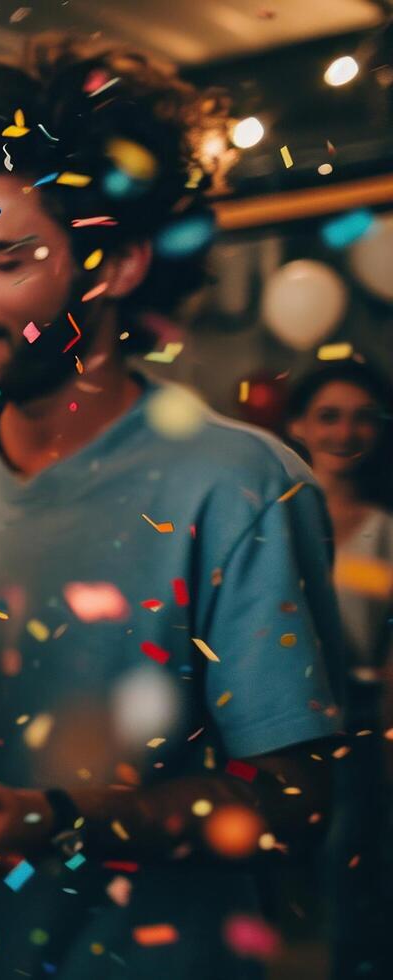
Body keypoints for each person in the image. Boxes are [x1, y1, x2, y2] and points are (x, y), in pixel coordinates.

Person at [0, 36, 343, 978]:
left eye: (2, 259)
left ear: (119, 265)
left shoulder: (241, 487)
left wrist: (67, 821)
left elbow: (297, 798)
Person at [285, 359, 392, 979]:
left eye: (362, 419)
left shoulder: (385, 533)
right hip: (267, 713)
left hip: (353, 722)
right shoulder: (272, 516)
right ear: (299, 425)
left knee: (346, 872)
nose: (344, 433)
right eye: (328, 416)